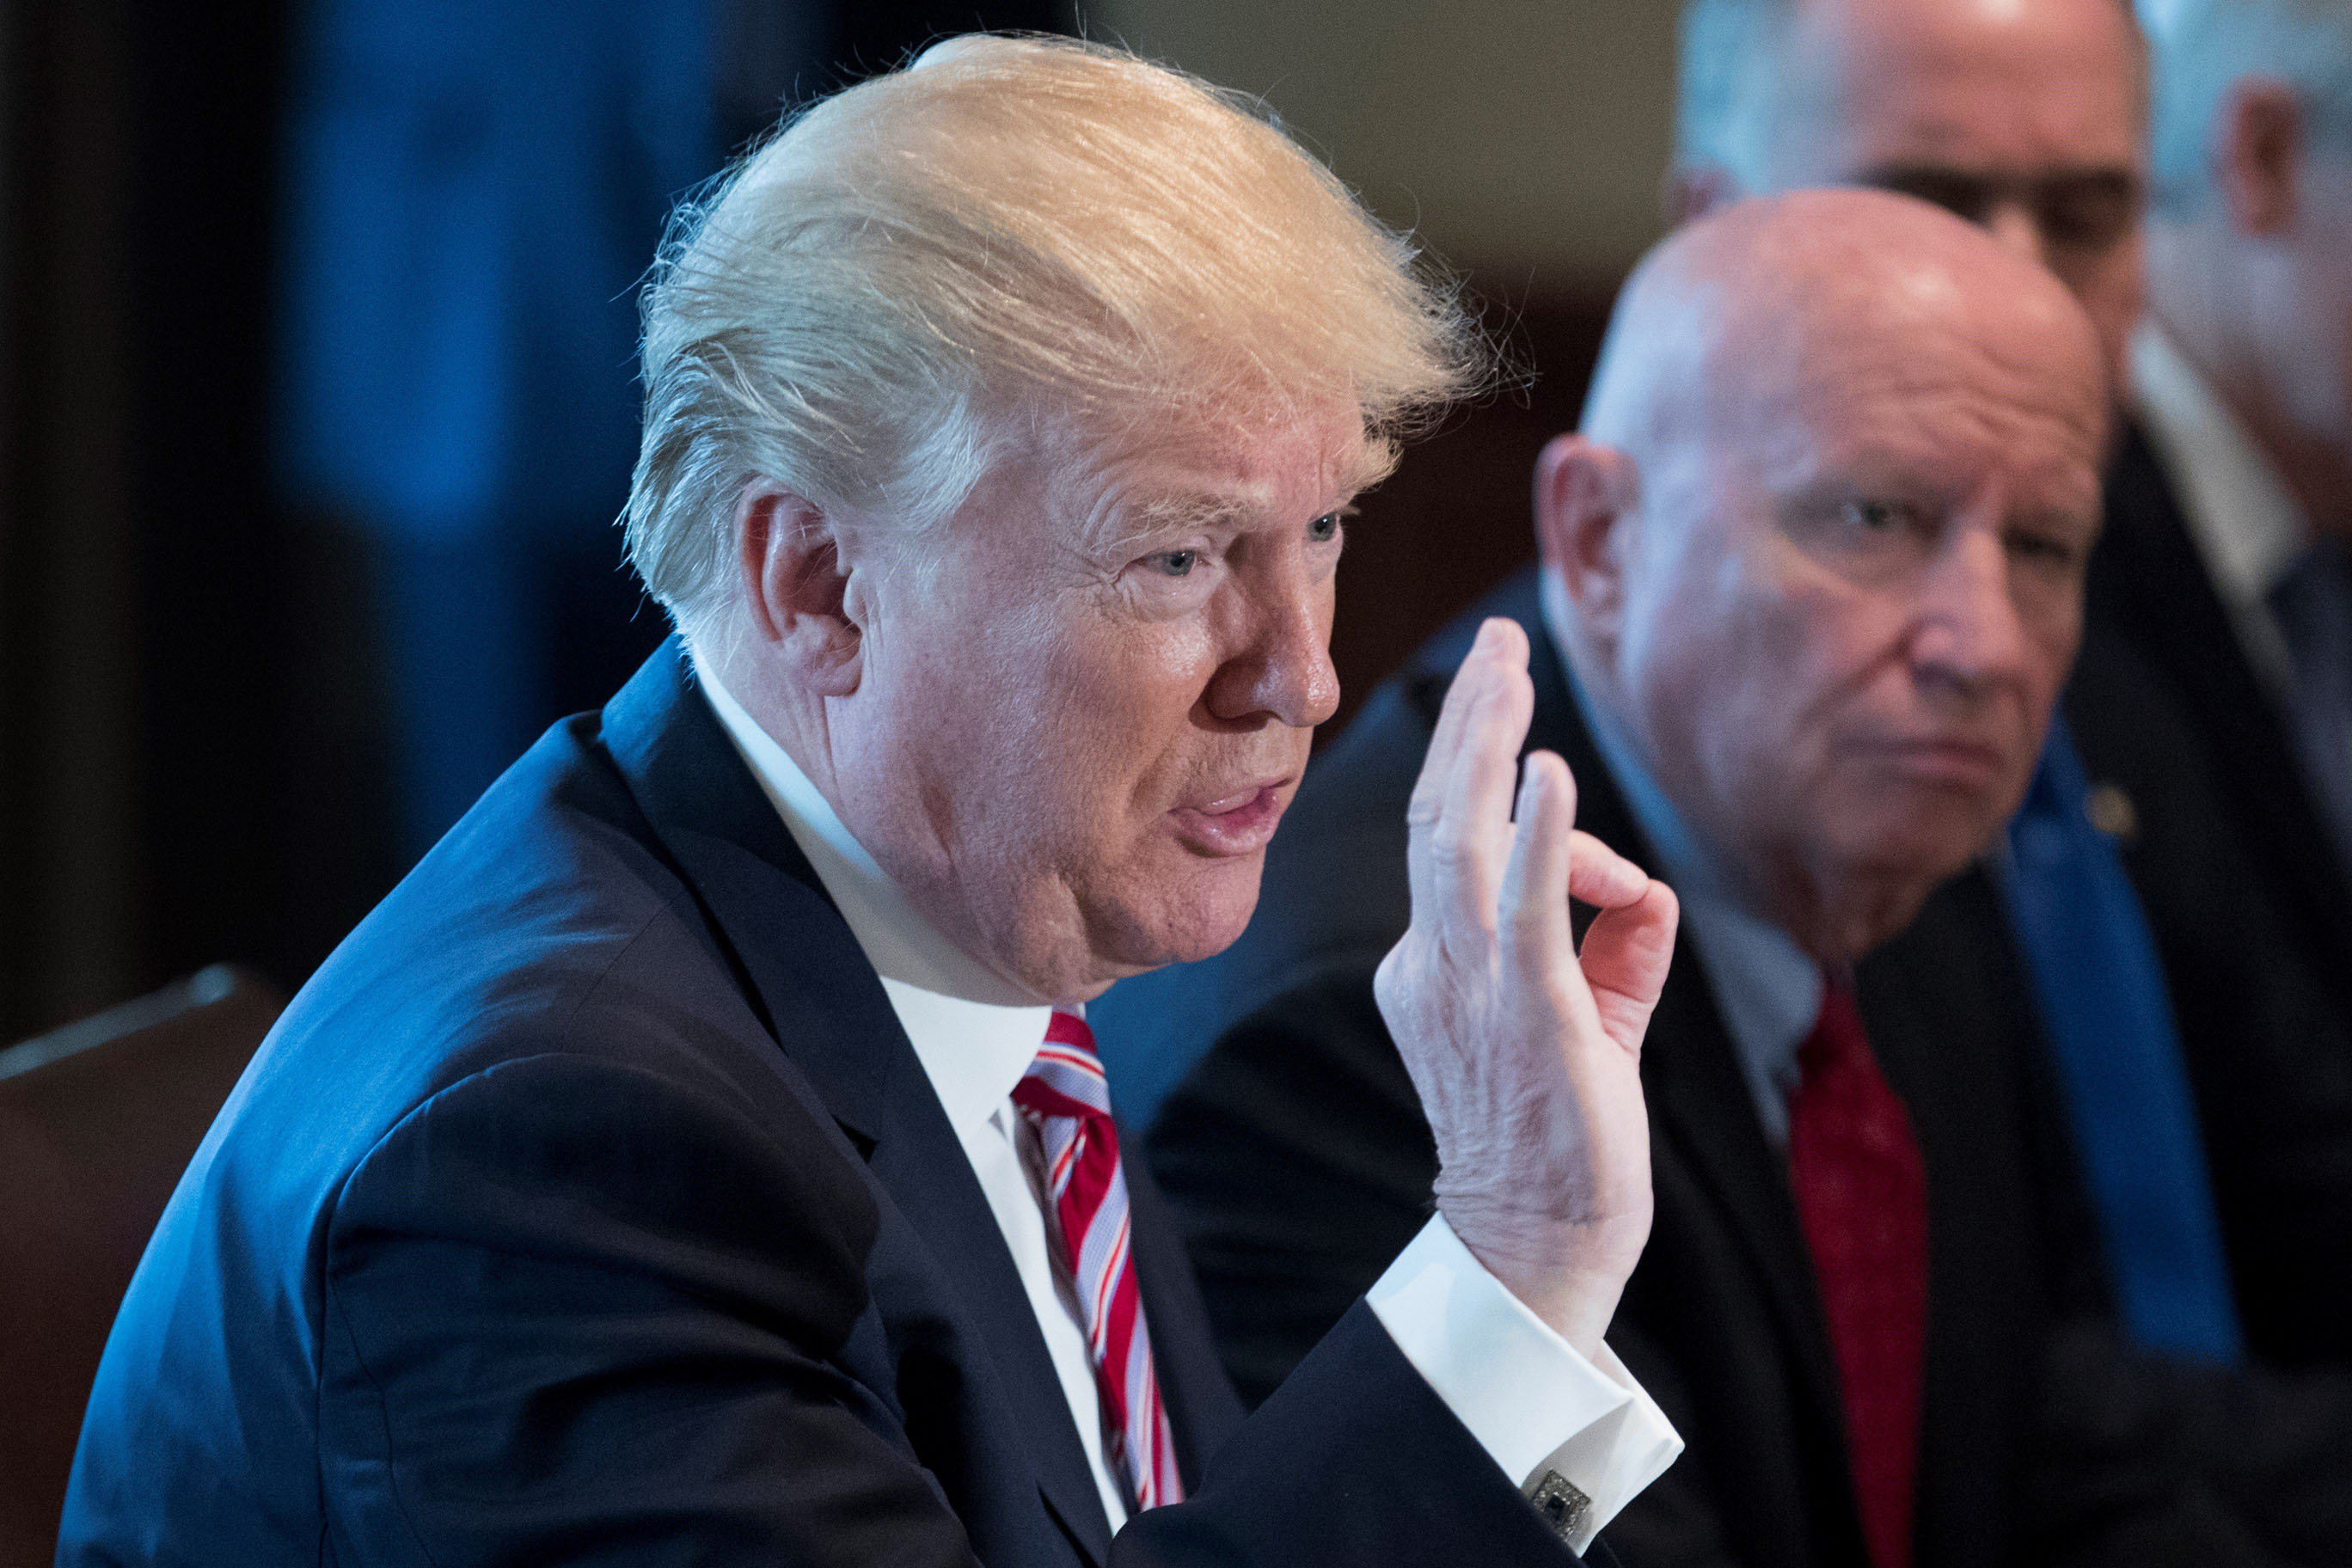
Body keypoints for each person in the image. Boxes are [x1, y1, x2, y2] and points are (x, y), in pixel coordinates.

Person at [58, 37, 1689, 1567]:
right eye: (1179, 556)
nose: (1302, 679)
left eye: (1322, 529)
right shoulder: (567, 1160)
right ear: (820, 584)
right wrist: (1511, 1259)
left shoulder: (978, 938)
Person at [1106, 188, 2349, 1567]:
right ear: (1597, 536)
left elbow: (2031, 1452)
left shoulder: (1888, 853)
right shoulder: (1389, 1015)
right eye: (1876, 518)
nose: (1984, 645)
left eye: (2044, 549)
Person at [1663, 0, 2352, 1373]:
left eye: (2090, 214)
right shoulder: (1690, 767)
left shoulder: (2103, 690)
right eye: (1929, 207)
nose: (2021, 296)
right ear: (1710, 226)